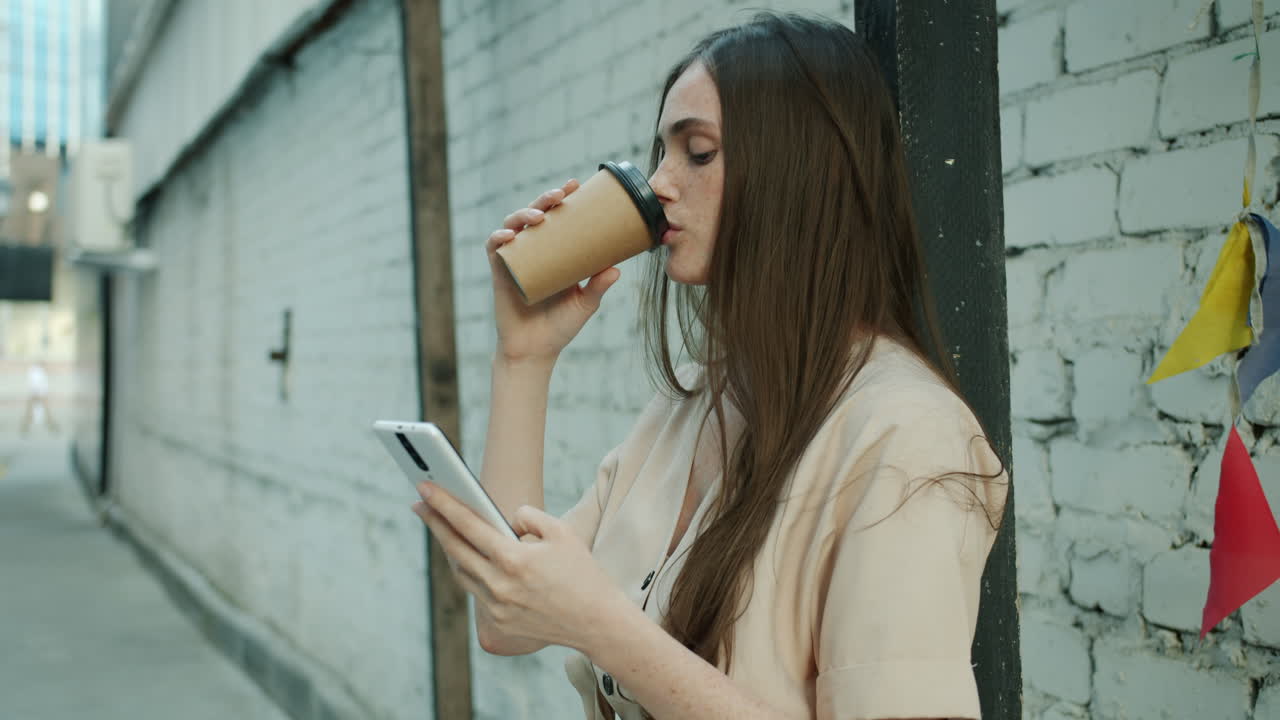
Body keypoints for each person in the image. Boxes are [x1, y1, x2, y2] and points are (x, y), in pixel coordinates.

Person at [411, 11, 1008, 720]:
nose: (659, 184)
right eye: (662, 152)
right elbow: (505, 621)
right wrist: (523, 358)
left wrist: (602, 624)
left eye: (698, 153)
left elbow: (582, 618)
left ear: (798, 172)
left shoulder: (906, 435)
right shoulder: (691, 405)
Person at [21, 361, 59, 435]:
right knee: (31, 412)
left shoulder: (37, 371)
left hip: (38, 392)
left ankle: (25, 428)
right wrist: (38, 392)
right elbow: (35, 382)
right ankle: (25, 428)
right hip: (37, 392)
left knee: (42, 411)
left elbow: (38, 383)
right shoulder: (35, 371)